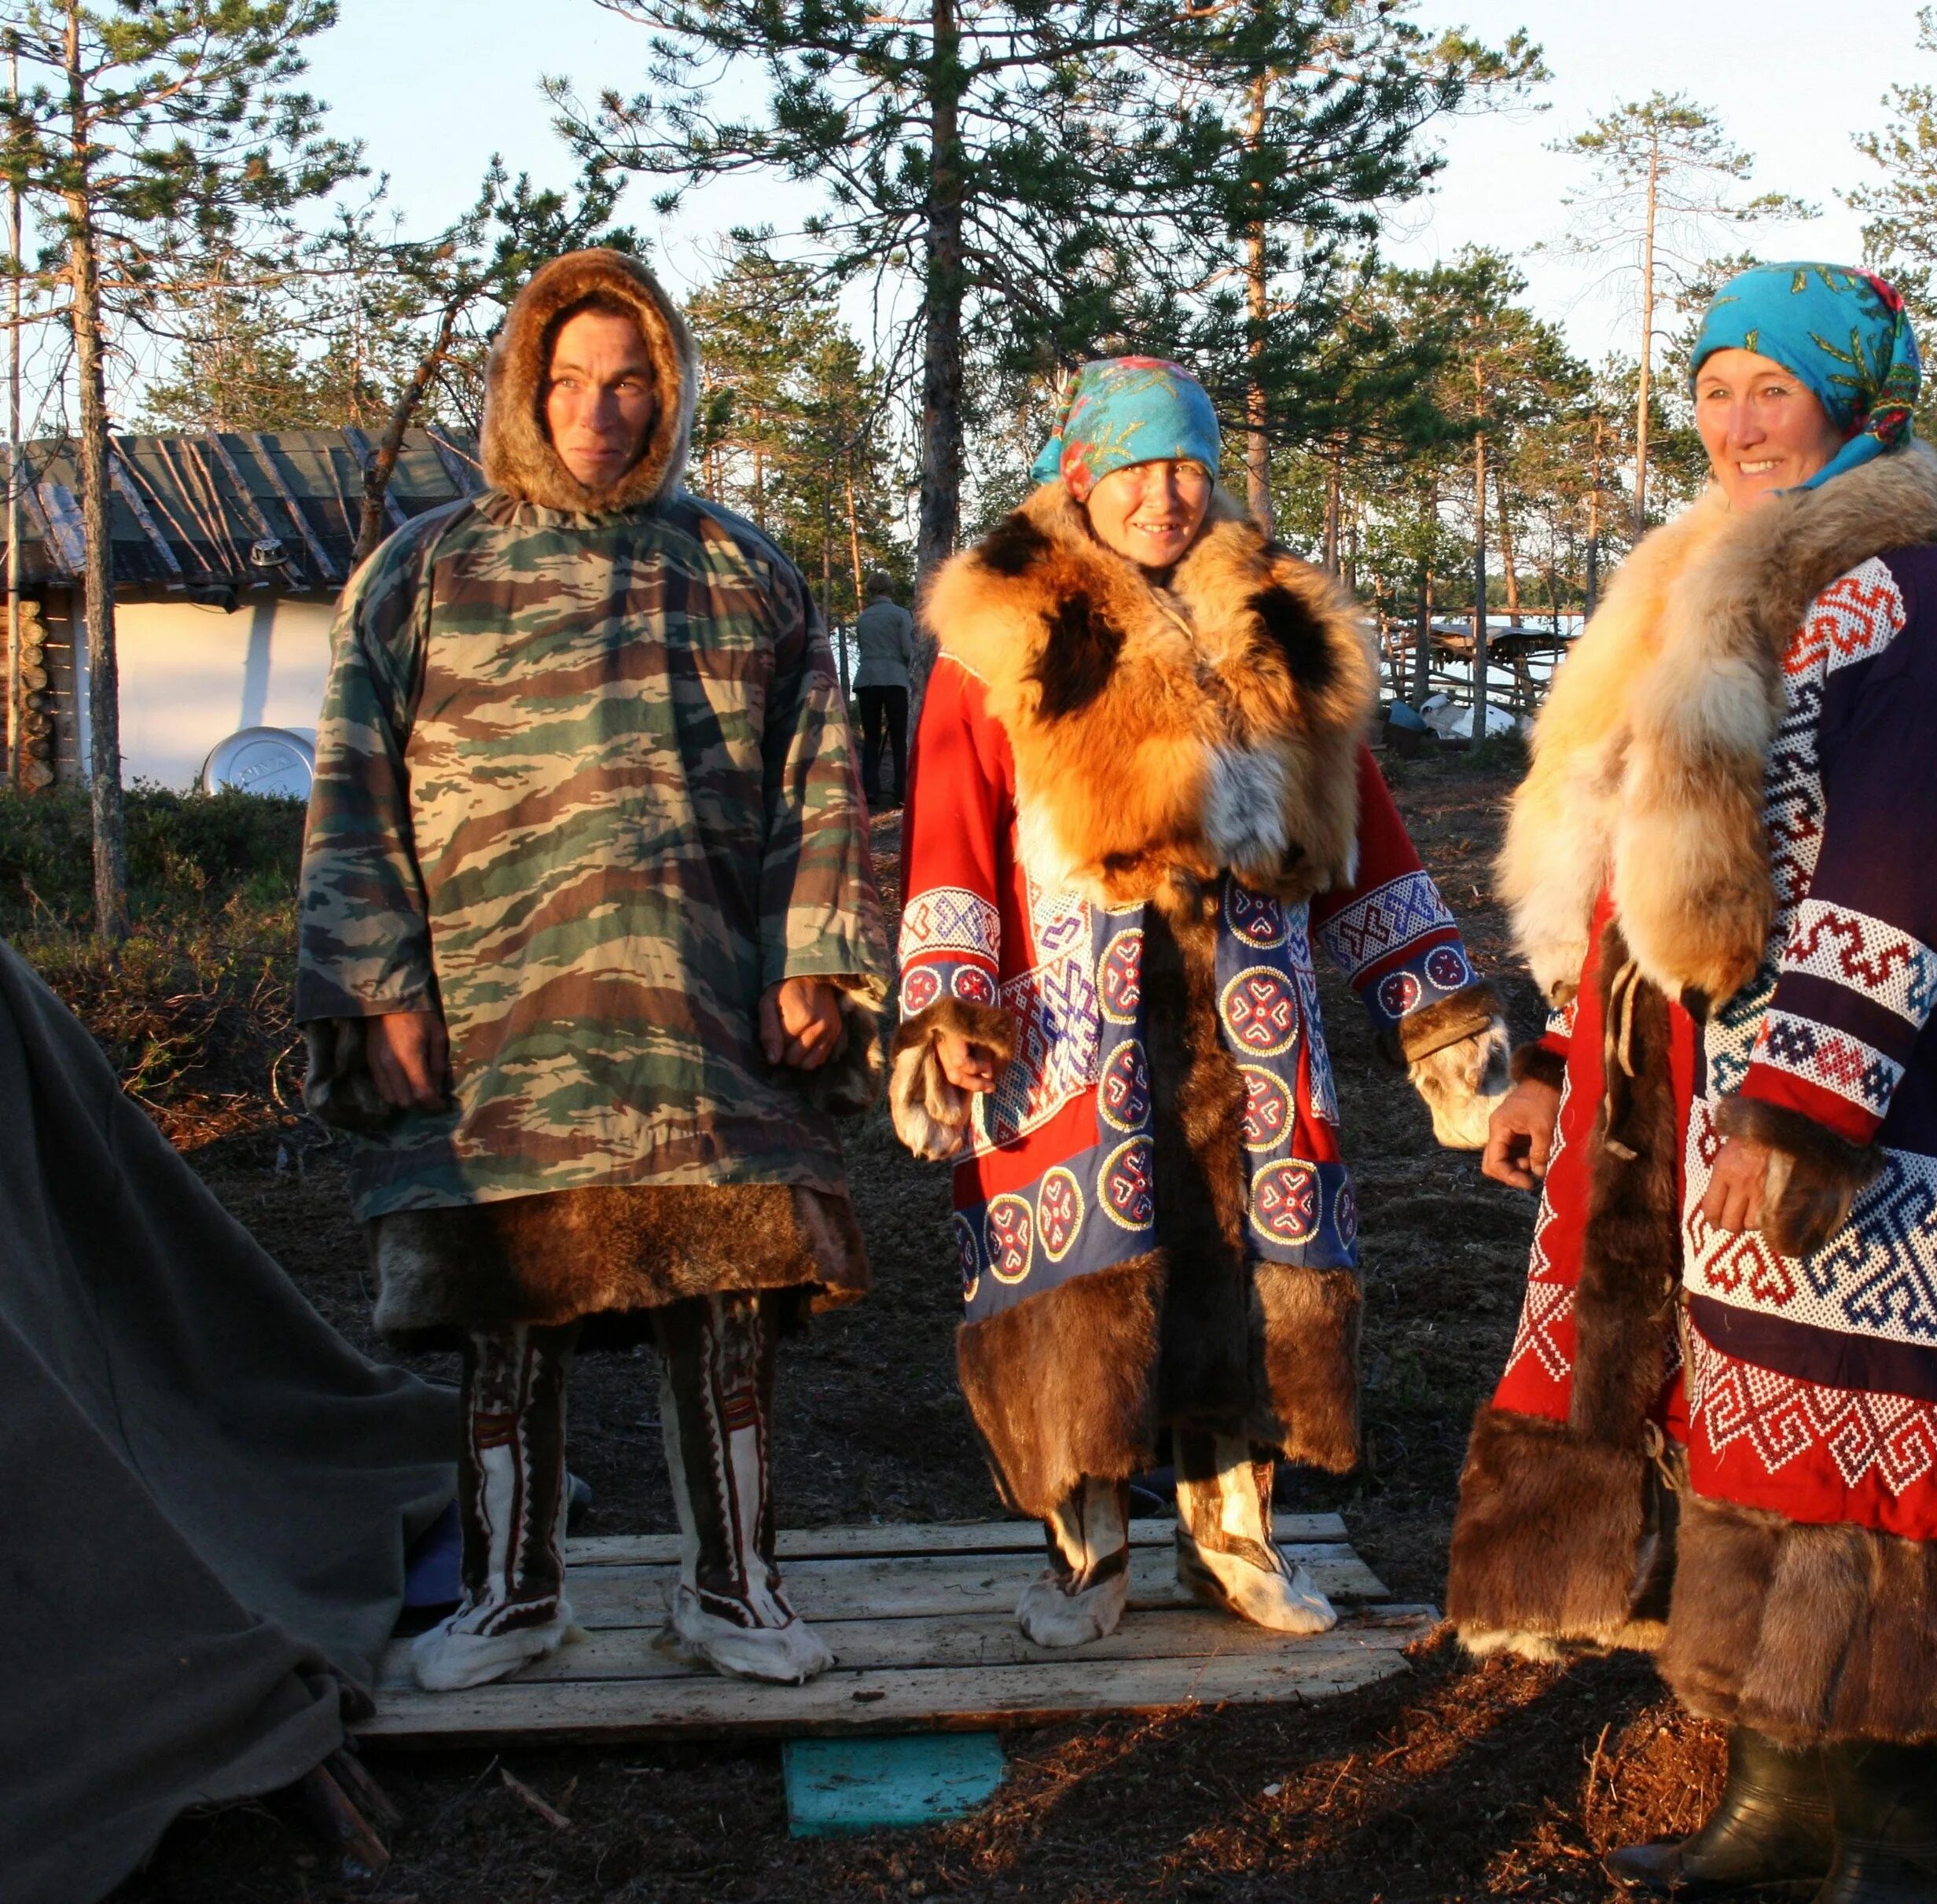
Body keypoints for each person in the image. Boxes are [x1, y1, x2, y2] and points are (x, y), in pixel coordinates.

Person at [1450, 266, 1937, 1904]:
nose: (1736, 424)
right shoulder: (1704, 590)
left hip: (1899, 1125)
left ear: (1860, 408)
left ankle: (1902, 1831)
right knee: (1763, 1444)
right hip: (1714, 1114)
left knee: (1883, 1463)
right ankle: (1777, 1799)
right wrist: (1568, 1064)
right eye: (1717, 387)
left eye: (1772, 393)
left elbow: (1921, 863)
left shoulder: (1917, 608)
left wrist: (1801, 1102)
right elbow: (1639, 880)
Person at [296, 248, 891, 1694]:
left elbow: (818, 782)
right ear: (522, 389)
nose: (599, 411)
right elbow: (352, 789)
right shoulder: (423, 573)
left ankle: (735, 1586)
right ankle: (511, 1591)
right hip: (496, 1017)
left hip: (702, 1016)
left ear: (667, 390)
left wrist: (811, 959)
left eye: (629, 382)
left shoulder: (744, 570)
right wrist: (378, 985)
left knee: (727, 1292)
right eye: (568, 382)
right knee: (507, 1302)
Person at [891, 356, 1509, 1647]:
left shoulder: (1283, 628)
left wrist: (1434, 1008)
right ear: (1083, 476)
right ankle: (1087, 1551)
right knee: (1084, 1281)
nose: (1164, 495)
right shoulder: (1008, 630)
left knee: (1248, 1273)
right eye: (1134, 468)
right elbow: (951, 828)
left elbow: (1362, 835)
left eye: (1186, 466)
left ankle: (1233, 1537)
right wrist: (947, 999)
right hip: (1071, 1020)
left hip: (1253, 1016)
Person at [851, 578, 917, 807]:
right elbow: (908, 650)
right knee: (899, 737)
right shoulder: (900, 614)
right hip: (894, 678)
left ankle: (870, 790)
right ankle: (901, 789)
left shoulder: (863, 618)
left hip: (867, 679)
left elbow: (862, 648)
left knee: (871, 737)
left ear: (870, 592)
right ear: (891, 589)